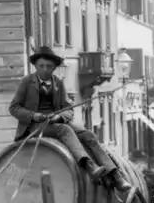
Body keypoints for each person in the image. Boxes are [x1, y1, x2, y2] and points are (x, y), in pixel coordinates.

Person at [9, 46, 132, 193]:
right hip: (34, 126)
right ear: (35, 66)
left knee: (88, 135)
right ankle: (90, 166)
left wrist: (59, 116)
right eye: (41, 66)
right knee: (64, 129)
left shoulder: (58, 83)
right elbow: (14, 108)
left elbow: (68, 108)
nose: (45, 70)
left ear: (54, 67)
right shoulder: (26, 82)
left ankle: (115, 175)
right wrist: (33, 115)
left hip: (54, 122)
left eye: (48, 66)